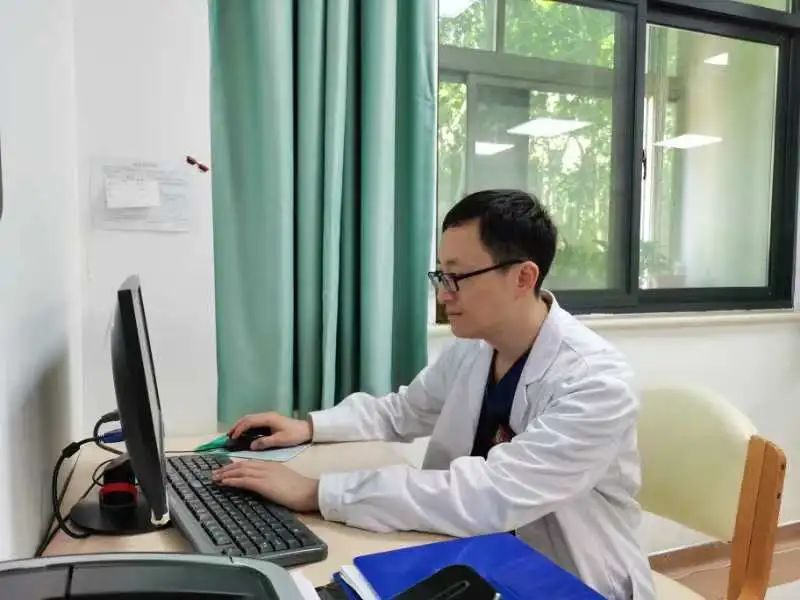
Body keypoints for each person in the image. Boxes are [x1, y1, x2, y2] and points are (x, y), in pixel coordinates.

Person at [212, 189, 655, 599]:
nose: (444, 295)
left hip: (568, 577)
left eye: (458, 277)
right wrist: (309, 426)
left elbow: (492, 494)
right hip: (472, 557)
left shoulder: (595, 382)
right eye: (441, 275)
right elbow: (403, 411)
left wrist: (318, 492)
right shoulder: (474, 347)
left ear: (523, 277)